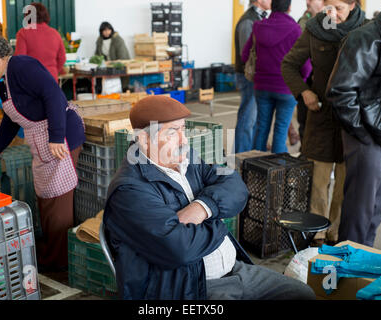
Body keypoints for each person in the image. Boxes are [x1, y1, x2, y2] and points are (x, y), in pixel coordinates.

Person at [101, 95, 316, 300]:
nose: (184, 140)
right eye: (172, 132)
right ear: (144, 139)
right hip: (190, 288)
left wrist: (203, 207)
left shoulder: (188, 159)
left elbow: (233, 182)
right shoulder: (129, 191)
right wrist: (218, 219)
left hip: (235, 270)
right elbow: (180, 249)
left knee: (302, 294)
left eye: (183, 129)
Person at [0, 33, 86, 270]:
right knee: (46, 199)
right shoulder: (5, 82)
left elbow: (53, 94)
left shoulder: (21, 66)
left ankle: (60, 262)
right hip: (43, 141)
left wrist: (55, 137)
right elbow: (11, 119)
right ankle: (52, 254)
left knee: (57, 200)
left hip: (60, 137)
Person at [281, 1, 366, 246]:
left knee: (344, 181)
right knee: (318, 181)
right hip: (320, 116)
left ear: (352, 5)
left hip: (352, 119)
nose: (332, 13)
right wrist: (304, 92)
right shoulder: (314, 29)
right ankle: (317, 234)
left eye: (339, 7)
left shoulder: (366, 30)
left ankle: (335, 233)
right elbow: (289, 64)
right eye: (328, 6)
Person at [326, 0, 381, 247]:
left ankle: (363, 258)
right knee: (359, 211)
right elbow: (340, 91)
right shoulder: (365, 38)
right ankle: (347, 269)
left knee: (378, 208)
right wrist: (362, 133)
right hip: (369, 137)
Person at [242, 0, 312, 154]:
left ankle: (255, 170)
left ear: (272, 7)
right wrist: (302, 82)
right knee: (280, 131)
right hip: (286, 88)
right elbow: (305, 64)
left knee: (261, 128)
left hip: (262, 86)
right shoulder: (294, 29)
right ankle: (278, 173)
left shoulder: (258, 26)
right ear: (289, 7)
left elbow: (245, 54)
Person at [233, 0, 271, 153]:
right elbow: (247, 54)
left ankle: (251, 151)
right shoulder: (248, 21)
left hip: (257, 76)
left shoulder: (260, 18)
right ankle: (241, 155)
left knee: (254, 118)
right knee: (247, 118)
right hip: (248, 76)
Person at [295, 0, 324, 147]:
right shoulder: (303, 21)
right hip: (305, 80)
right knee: (304, 122)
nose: (307, 2)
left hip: (322, 82)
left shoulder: (332, 23)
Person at [15, 2, 66, 82]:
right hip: (51, 78)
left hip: (31, 78)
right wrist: (54, 70)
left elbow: (20, 59)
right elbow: (62, 58)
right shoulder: (55, 33)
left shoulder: (23, 33)